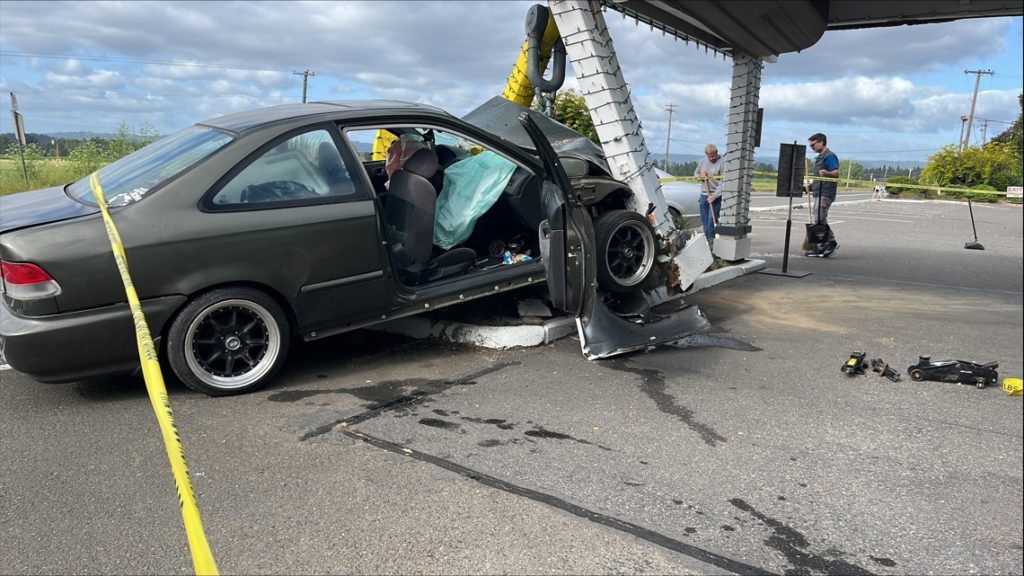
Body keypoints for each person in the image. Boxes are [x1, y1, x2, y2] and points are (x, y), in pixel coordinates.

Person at [804, 133, 840, 257]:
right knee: (818, 220)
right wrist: (811, 186)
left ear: (821, 142)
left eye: (813, 145)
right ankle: (819, 246)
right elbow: (818, 177)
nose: (812, 148)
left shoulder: (829, 156)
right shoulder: (819, 157)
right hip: (818, 192)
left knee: (820, 218)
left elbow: (836, 173)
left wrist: (826, 173)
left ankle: (831, 242)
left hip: (826, 193)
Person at [694, 144, 724, 246]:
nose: (711, 158)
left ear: (717, 153)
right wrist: (700, 176)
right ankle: (707, 241)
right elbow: (696, 175)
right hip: (704, 194)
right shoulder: (703, 161)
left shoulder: (723, 162)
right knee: (705, 220)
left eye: (713, 156)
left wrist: (714, 196)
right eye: (709, 156)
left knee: (712, 220)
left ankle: (712, 242)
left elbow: (723, 183)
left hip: (715, 195)